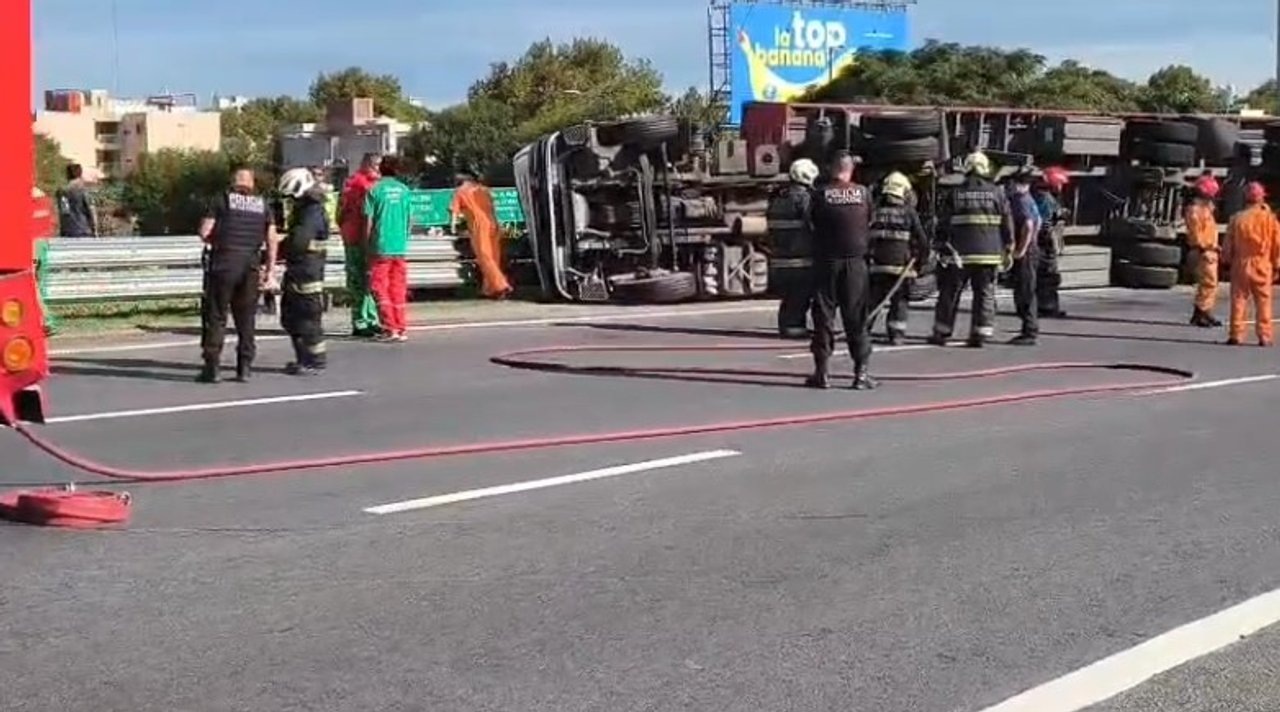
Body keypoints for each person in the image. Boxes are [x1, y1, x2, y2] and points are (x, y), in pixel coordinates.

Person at [197, 167, 277, 383]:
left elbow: (205, 231)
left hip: (223, 265)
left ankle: (212, 368)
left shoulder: (222, 200)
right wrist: (270, 271)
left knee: (216, 316)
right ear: (252, 183)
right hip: (250, 266)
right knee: (246, 318)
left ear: (233, 182)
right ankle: (245, 367)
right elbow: (271, 239)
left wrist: (217, 240)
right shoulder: (262, 204)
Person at [806, 151, 875, 390]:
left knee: (823, 318)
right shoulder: (863, 193)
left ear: (831, 170)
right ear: (850, 170)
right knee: (857, 318)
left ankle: (822, 373)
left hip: (826, 263)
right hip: (855, 264)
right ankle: (861, 375)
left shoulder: (819, 194)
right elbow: (869, 221)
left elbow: (810, 225)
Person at [930, 151, 1012, 348]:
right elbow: (1007, 222)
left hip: (960, 254)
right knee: (984, 292)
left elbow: (943, 222)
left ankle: (942, 331)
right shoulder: (997, 193)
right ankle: (980, 333)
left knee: (950, 292)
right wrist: (1008, 247)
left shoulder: (955, 193)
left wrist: (940, 245)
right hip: (989, 254)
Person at [277, 168, 331, 375]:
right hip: (300, 271)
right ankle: (304, 360)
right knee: (291, 319)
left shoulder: (311, 212)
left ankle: (315, 362)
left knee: (307, 320)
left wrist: (279, 247)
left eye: (291, 197)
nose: (289, 201)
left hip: (307, 274)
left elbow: (299, 242)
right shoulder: (305, 210)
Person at [867, 171, 930, 345]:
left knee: (873, 299)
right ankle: (896, 333)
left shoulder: (875, 212)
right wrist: (921, 263)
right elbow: (922, 241)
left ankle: (863, 328)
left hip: (877, 266)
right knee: (900, 301)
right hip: (902, 268)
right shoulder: (909, 213)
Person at [1223, 181, 1280, 346]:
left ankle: (1236, 334)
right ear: (1262, 198)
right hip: (1262, 263)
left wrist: (1226, 262)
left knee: (1239, 299)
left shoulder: (1237, 219)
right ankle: (1264, 336)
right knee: (1263, 301)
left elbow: (1228, 245)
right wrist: (1277, 264)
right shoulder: (1270, 220)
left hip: (1241, 263)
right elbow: (1277, 245)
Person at [768, 158, 819, 338]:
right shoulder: (805, 200)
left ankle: (789, 326)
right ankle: (794, 328)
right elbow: (814, 225)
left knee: (789, 297)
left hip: (780, 258)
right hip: (800, 258)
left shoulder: (778, 199)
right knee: (800, 295)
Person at [364, 155, 412, 342]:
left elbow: (369, 222)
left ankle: (389, 328)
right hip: (400, 246)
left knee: (379, 287)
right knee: (398, 287)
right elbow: (409, 220)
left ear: (380, 169)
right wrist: (404, 240)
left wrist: (367, 245)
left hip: (381, 246)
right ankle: (401, 327)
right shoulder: (404, 190)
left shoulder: (374, 190)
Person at [450, 169, 513, 299]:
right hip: (493, 224)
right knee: (494, 258)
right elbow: (492, 208)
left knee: (485, 258)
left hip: (478, 227)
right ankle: (488, 288)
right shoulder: (484, 190)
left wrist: (453, 227)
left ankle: (501, 285)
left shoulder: (460, 192)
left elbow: (454, 211)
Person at [340, 153, 382, 338]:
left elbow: (340, 213)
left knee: (368, 280)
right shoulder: (361, 184)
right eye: (374, 165)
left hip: (362, 237)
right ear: (366, 165)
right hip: (359, 238)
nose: (377, 169)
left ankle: (369, 319)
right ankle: (361, 320)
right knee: (360, 280)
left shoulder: (356, 184)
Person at [1005, 167, 1041, 346]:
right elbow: (1038, 221)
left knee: (1025, 291)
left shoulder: (1020, 200)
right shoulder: (1030, 199)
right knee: (1027, 289)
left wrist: (1021, 250)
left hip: (1026, 253)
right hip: (1032, 250)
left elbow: (1028, 225)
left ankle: (1029, 330)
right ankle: (1029, 328)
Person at [1033, 166, 1071, 319]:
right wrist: (1053, 243)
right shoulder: (1045, 199)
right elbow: (1046, 224)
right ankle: (1046, 306)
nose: (1061, 187)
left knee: (1045, 276)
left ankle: (1044, 305)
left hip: (1044, 242)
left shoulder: (1044, 197)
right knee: (1048, 276)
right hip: (1045, 243)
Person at [1185, 177, 1222, 327]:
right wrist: (1203, 246)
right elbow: (1195, 232)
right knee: (1208, 282)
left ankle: (1203, 311)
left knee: (1209, 284)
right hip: (1204, 250)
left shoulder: (1204, 209)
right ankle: (1202, 311)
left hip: (1210, 249)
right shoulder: (1195, 210)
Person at [56, 163, 96, 237]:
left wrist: (63, 230)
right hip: (84, 230)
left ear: (68, 174)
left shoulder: (62, 191)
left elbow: (64, 211)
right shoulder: (83, 189)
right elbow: (90, 210)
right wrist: (94, 229)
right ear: (80, 173)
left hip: (68, 231)